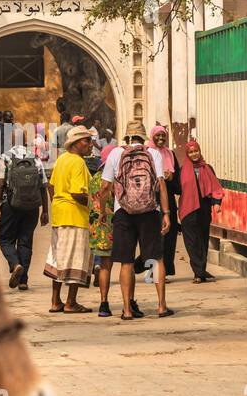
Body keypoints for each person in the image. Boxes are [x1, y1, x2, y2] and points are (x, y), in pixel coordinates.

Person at [101, 120, 172, 319]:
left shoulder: (116, 153)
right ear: (143, 136)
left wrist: (103, 213)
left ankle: (126, 309)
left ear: (126, 136)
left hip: (123, 211)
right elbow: (161, 184)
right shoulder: (153, 153)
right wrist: (166, 213)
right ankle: (161, 306)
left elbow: (106, 186)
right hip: (150, 211)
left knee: (126, 262)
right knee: (154, 259)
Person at [43, 126, 97, 312]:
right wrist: (94, 204)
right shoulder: (78, 162)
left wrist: (57, 202)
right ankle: (70, 302)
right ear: (75, 143)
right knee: (75, 259)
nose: (90, 145)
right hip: (75, 216)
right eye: (86, 141)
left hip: (60, 216)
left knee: (58, 259)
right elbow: (76, 192)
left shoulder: (61, 160)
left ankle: (55, 300)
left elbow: (51, 186)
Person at [0, 129, 49, 291]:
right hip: (32, 207)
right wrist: (45, 210)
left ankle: (15, 264)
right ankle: (23, 281)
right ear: (25, 140)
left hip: (11, 205)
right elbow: (43, 186)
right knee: (25, 241)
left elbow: (0, 184)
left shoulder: (6, 157)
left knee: (5, 239)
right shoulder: (35, 158)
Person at [178, 140, 224, 283]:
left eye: (196, 151)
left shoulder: (207, 168)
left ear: (200, 151)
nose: (194, 154)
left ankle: (201, 271)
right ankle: (198, 272)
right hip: (188, 209)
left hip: (204, 209)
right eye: (191, 152)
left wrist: (216, 203)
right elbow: (176, 188)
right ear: (187, 154)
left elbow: (216, 187)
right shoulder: (182, 170)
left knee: (203, 240)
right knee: (192, 242)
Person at [89, 142, 117, 316]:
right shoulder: (114, 178)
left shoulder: (94, 178)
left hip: (96, 227)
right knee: (124, 265)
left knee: (104, 266)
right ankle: (129, 304)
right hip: (115, 226)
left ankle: (103, 304)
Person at [150, 125, 180, 278]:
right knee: (154, 236)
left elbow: (178, 183)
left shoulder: (170, 154)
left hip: (168, 200)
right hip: (151, 200)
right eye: (158, 136)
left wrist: (171, 178)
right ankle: (152, 272)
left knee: (169, 236)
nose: (161, 139)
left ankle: (165, 271)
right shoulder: (147, 153)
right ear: (152, 136)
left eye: (163, 136)